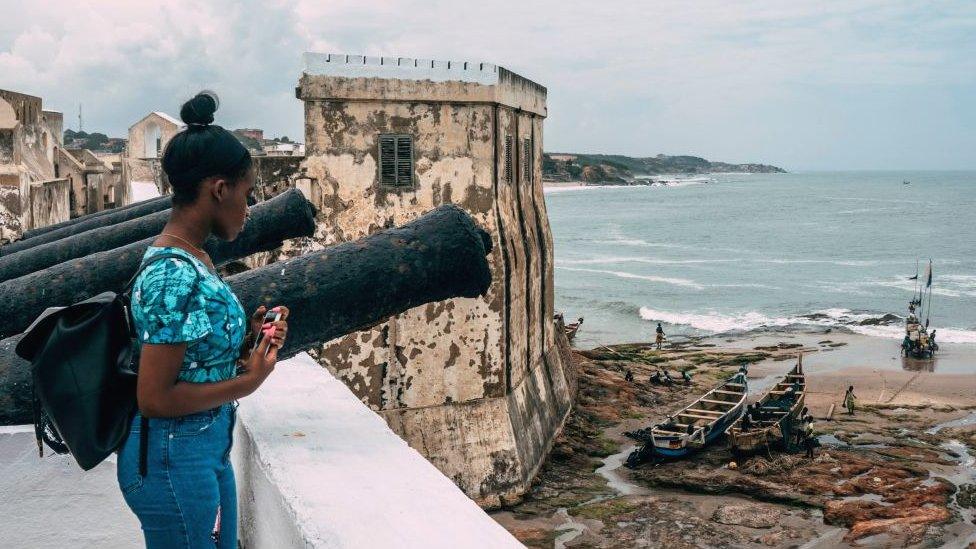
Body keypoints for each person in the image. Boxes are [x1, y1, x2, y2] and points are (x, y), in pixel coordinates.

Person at [117, 91, 290, 549]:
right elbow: (154, 397)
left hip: (200, 447)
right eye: (246, 193)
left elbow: (192, 354)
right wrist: (248, 382)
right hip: (175, 457)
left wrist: (250, 338)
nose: (249, 207)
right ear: (219, 189)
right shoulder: (172, 275)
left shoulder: (192, 258)